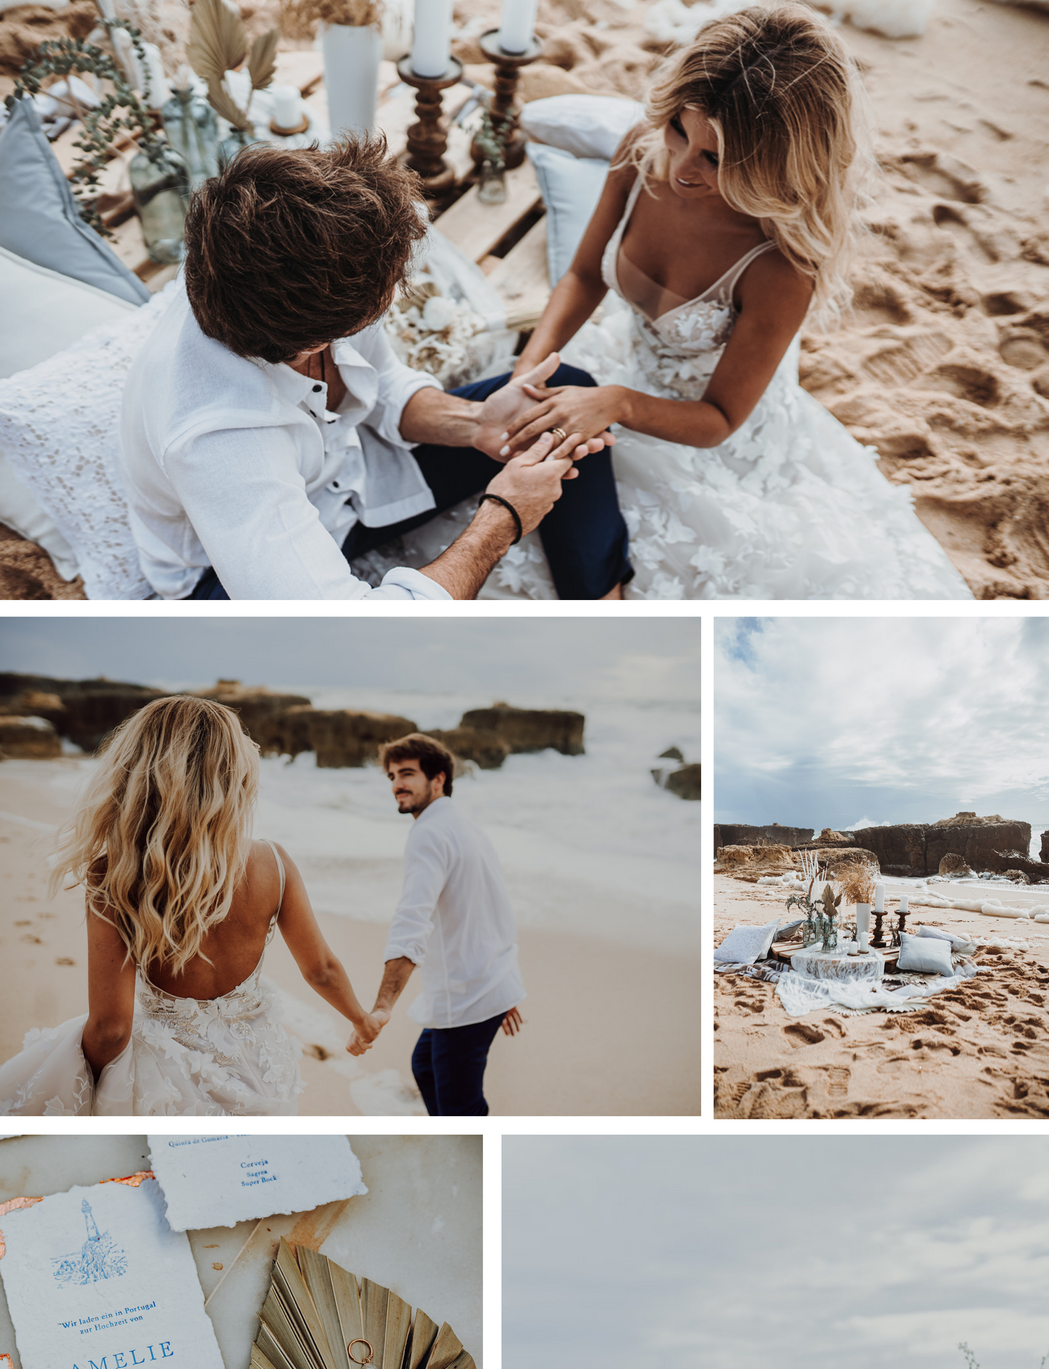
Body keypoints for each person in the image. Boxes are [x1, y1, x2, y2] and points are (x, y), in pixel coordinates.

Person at [461, 5, 973, 600]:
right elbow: (581, 276)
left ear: (775, 163)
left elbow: (721, 421)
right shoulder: (641, 150)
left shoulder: (781, 268)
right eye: (680, 129)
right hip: (612, 369)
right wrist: (529, 374)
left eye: (716, 158)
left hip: (703, 425)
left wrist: (617, 402)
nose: (680, 167)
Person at [119, 140, 632, 601]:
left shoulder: (276, 273)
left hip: (351, 472)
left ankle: (605, 609)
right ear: (319, 338)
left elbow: (379, 381)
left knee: (564, 401)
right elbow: (349, 630)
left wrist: (475, 423)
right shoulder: (220, 442)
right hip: (222, 578)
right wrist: (506, 515)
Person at [0, 697, 375, 1115]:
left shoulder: (117, 873)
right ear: (234, 773)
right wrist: (360, 1018)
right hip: (264, 1074)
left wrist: (96, 1093)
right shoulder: (274, 863)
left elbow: (111, 1029)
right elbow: (321, 968)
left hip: (168, 1084)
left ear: (139, 771)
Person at [352, 735, 523, 1116]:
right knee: (426, 1066)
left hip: (467, 997)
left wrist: (382, 1006)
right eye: (393, 775)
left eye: (408, 773)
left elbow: (412, 921)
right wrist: (504, 981)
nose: (397, 784)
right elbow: (496, 908)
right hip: (486, 983)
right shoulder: (464, 826)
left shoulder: (429, 834)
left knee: (460, 1107)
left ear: (439, 779)